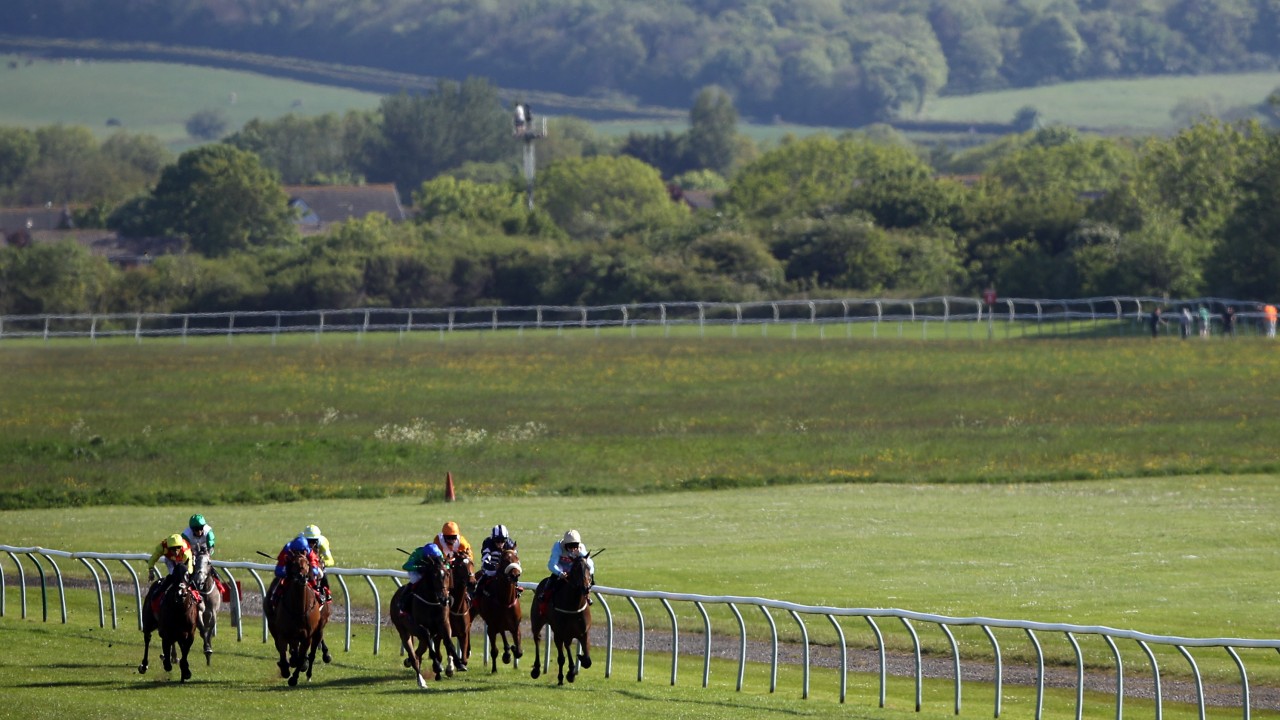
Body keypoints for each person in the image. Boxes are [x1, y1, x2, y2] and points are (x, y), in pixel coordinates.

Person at [535, 529, 595, 616]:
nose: (573, 548)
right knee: (553, 577)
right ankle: (544, 594)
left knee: (583, 576)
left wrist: (581, 554)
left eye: (575, 545)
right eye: (570, 546)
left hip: (573, 569)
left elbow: (591, 565)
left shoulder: (581, 548)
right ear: (565, 545)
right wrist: (559, 573)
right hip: (561, 567)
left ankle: (587, 595)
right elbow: (551, 564)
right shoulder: (558, 547)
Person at [267, 533, 321, 614]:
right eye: (298, 552)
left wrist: (309, 571)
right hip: (290, 571)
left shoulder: (309, 551)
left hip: (305, 573)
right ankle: (275, 597)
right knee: (281, 580)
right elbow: (278, 571)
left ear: (306, 550)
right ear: (293, 550)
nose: (301, 554)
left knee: (311, 577)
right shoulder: (287, 550)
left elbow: (315, 569)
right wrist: (288, 572)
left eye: (303, 552)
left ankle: (318, 594)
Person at [146, 533, 194, 607]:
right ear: (168, 547)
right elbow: (152, 559)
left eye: (178, 548)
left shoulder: (186, 551)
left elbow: (189, 568)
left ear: (181, 546)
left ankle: (196, 594)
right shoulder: (162, 547)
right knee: (173, 575)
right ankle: (159, 593)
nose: (176, 551)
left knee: (184, 575)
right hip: (170, 559)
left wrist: (188, 576)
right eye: (173, 549)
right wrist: (151, 571)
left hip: (183, 560)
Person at [398, 541, 445, 615]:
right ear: (426, 555)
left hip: (432, 571)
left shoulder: (439, 554)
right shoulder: (417, 553)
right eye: (432, 558)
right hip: (417, 571)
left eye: (435, 558)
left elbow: (446, 565)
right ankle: (404, 604)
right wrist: (420, 567)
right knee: (416, 580)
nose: (434, 559)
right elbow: (406, 566)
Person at [475, 524, 520, 600]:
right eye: (497, 541)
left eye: (502, 541)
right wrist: (494, 567)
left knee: (513, 577)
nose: (500, 544)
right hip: (491, 569)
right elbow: (485, 562)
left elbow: (516, 561)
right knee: (480, 583)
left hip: (506, 570)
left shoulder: (510, 544)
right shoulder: (488, 543)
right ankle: (476, 595)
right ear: (493, 539)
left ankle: (516, 589)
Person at [302, 524, 334, 603]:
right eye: (308, 541)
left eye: (313, 541)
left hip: (316, 562)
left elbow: (330, 561)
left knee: (322, 573)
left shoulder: (322, 543)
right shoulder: (299, 541)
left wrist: (323, 563)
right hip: (303, 561)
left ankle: (327, 593)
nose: (311, 544)